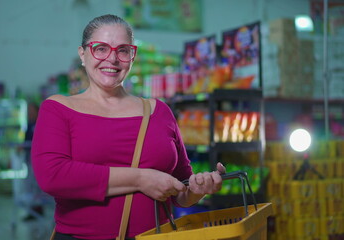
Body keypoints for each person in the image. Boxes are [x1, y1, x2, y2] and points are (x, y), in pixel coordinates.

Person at [31, 14, 226, 240]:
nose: (112, 59)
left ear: (132, 56)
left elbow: (180, 191)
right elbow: (53, 176)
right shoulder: (58, 109)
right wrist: (141, 178)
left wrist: (198, 189)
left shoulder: (159, 112)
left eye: (122, 50)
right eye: (100, 48)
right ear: (83, 54)